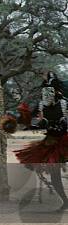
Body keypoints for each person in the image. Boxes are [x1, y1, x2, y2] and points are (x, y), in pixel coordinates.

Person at [14, 72, 68, 211]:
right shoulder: (41, 106)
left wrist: (63, 123)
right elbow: (32, 120)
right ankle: (65, 201)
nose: (47, 94)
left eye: (50, 91)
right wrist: (24, 122)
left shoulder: (64, 104)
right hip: (50, 142)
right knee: (55, 176)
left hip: (65, 139)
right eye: (45, 91)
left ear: (56, 91)